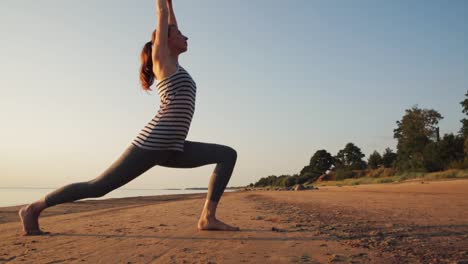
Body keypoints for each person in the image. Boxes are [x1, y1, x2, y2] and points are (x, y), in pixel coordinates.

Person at [18, 0, 240, 236]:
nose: (186, 37)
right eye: (180, 34)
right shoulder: (162, 61)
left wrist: (171, 5)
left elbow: (169, 17)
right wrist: (164, 7)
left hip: (173, 146)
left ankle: (207, 217)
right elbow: (162, 14)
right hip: (153, 142)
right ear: (163, 42)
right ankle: (33, 209)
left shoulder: (175, 63)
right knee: (99, 187)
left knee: (227, 155)